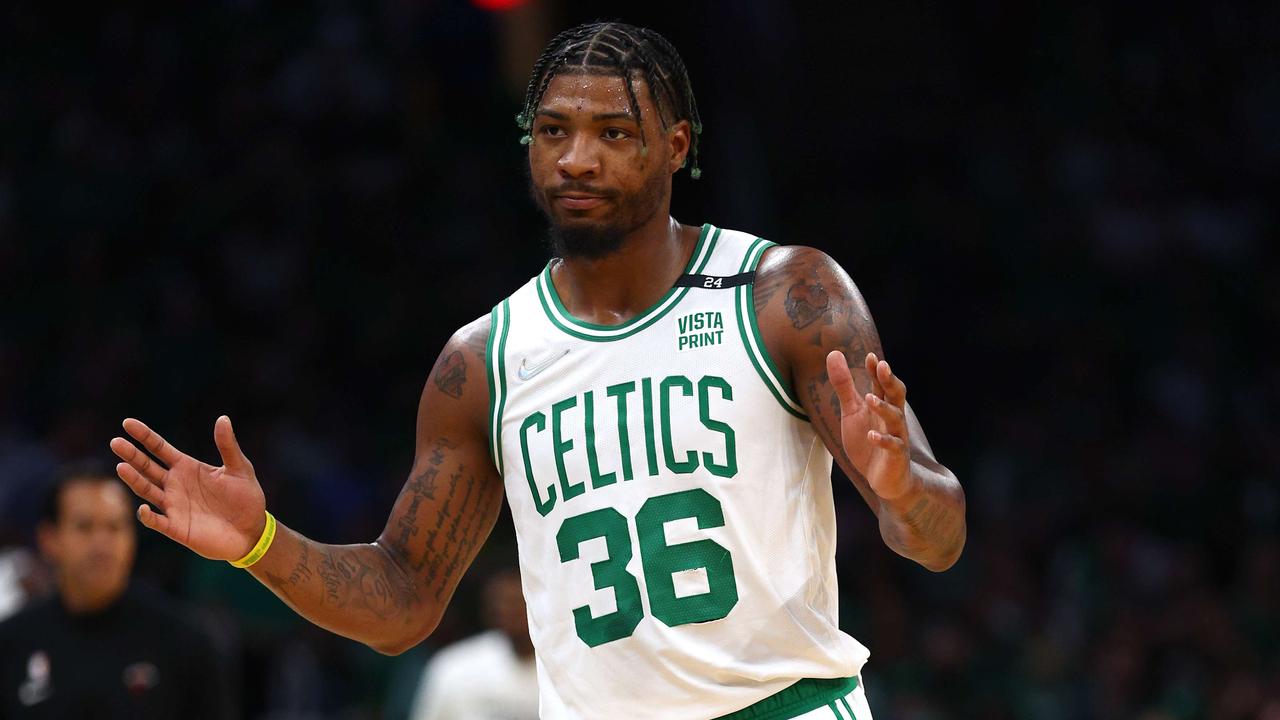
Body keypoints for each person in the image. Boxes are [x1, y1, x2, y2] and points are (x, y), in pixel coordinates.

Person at [108, 22, 965, 720]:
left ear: (676, 146)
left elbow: (938, 538)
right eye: (553, 131)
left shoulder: (785, 294)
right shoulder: (485, 360)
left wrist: (897, 484)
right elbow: (404, 601)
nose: (576, 160)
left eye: (613, 133)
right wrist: (262, 544)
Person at [0, 467, 234, 719]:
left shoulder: (186, 641)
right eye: (85, 527)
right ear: (49, 539)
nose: (102, 544)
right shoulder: (11, 642)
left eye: (115, 527)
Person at [408, 567, 538, 720]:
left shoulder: (566, 663)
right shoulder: (452, 667)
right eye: (503, 603)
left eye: (517, 602)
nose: (510, 611)